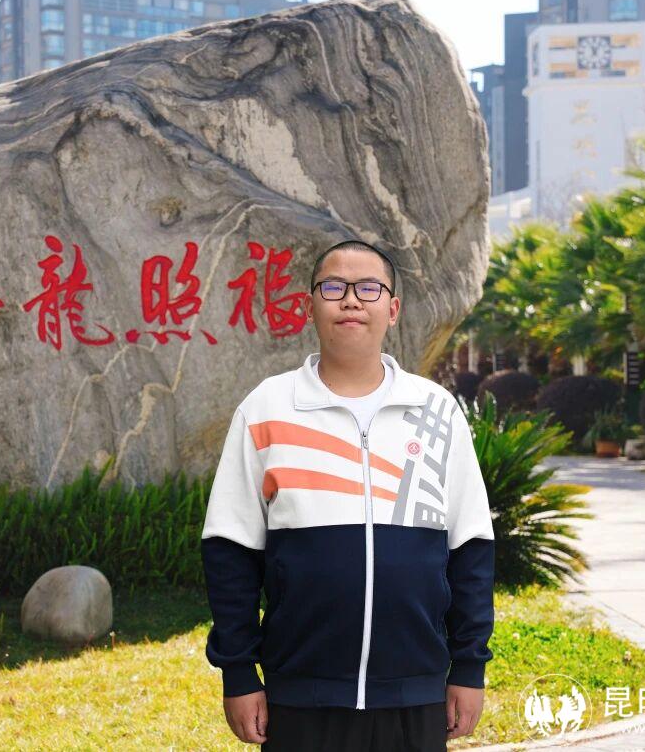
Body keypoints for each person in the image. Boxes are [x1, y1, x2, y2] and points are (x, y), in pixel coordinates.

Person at [200, 238, 495, 751]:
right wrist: (239, 673)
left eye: (369, 288)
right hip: (301, 694)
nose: (352, 300)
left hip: (415, 693)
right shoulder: (268, 408)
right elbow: (230, 551)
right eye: (334, 287)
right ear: (310, 305)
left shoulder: (436, 411)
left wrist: (469, 667)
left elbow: (470, 549)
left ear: (393, 309)